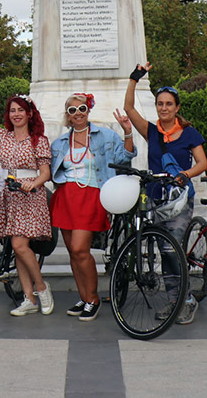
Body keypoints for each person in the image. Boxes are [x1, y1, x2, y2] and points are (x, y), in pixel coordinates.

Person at [124, 67, 207, 325]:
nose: (163, 108)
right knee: (164, 249)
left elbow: (203, 163)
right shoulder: (152, 131)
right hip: (155, 196)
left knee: (171, 249)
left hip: (179, 197)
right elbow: (129, 109)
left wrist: (185, 173)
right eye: (160, 104)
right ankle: (176, 300)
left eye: (168, 104)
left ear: (176, 107)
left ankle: (185, 300)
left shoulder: (189, 133)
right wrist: (133, 78)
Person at [0, 72, 54, 317]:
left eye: (20, 110)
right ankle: (29, 298)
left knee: (20, 244)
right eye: (12, 111)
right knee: (18, 247)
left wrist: (33, 183)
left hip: (30, 195)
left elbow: (45, 172)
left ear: (29, 114)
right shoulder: (3, 137)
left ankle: (41, 287)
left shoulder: (39, 139)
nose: (16, 114)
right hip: (9, 195)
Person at [50, 92, 135, 321]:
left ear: (88, 111)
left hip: (91, 196)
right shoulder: (59, 143)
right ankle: (84, 297)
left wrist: (127, 131)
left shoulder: (104, 136)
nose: (77, 114)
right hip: (65, 197)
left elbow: (125, 157)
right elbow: (49, 170)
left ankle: (94, 298)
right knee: (72, 252)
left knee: (80, 249)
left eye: (82, 109)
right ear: (67, 116)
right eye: (72, 110)